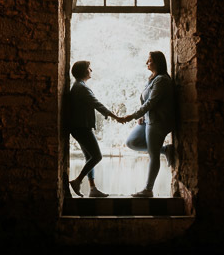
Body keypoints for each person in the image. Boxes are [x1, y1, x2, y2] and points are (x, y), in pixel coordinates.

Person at [121, 50, 176, 198]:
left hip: (158, 121)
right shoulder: (151, 79)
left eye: (150, 60)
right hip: (148, 119)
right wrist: (142, 116)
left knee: (153, 155)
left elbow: (151, 102)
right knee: (131, 142)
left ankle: (148, 189)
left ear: (158, 62)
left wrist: (133, 115)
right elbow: (145, 100)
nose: (147, 63)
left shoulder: (162, 80)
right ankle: (165, 150)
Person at [67, 60, 118, 198]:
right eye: (89, 68)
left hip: (78, 127)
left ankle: (93, 189)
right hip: (82, 127)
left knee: (89, 157)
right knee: (97, 156)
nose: (91, 70)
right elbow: (97, 104)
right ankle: (77, 181)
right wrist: (115, 116)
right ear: (84, 71)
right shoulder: (82, 87)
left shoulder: (78, 85)